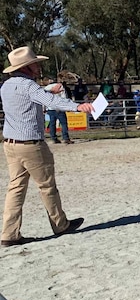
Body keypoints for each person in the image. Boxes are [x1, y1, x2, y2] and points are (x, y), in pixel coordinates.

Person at [0, 47, 95, 246]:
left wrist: (44, 90)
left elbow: (32, 96)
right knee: (47, 186)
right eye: (35, 63)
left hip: (10, 144)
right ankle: (60, 224)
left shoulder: (6, 86)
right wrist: (78, 107)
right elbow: (51, 101)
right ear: (27, 67)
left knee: (15, 188)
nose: (38, 66)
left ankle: (9, 233)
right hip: (31, 144)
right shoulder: (29, 86)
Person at [44, 78, 72, 144]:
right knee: (63, 124)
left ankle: (53, 138)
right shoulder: (60, 86)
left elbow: (43, 98)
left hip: (50, 108)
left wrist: (44, 108)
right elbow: (64, 98)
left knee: (52, 124)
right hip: (59, 108)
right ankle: (65, 138)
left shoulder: (46, 88)